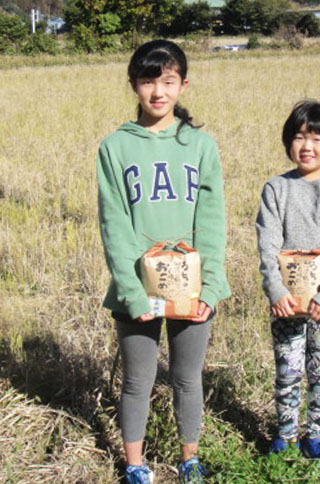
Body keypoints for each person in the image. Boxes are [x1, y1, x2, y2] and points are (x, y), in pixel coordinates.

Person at [96, 39, 230, 484]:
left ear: (183, 85)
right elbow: (115, 224)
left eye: (168, 81)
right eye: (149, 81)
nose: (158, 92)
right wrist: (133, 292)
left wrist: (210, 286)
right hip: (137, 288)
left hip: (191, 286)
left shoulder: (201, 146)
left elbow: (212, 222)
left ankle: (189, 457)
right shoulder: (115, 147)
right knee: (138, 380)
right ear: (133, 84)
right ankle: (134, 464)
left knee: (188, 378)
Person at [256, 100, 320, 466]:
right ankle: (284, 432)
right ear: (288, 142)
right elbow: (267, 244)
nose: (307, 146)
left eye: (316, 138)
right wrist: (276, 290)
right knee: (287, 369)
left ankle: (315, 435)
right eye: (299, 137)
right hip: (286, 302)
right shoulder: (276, 189)